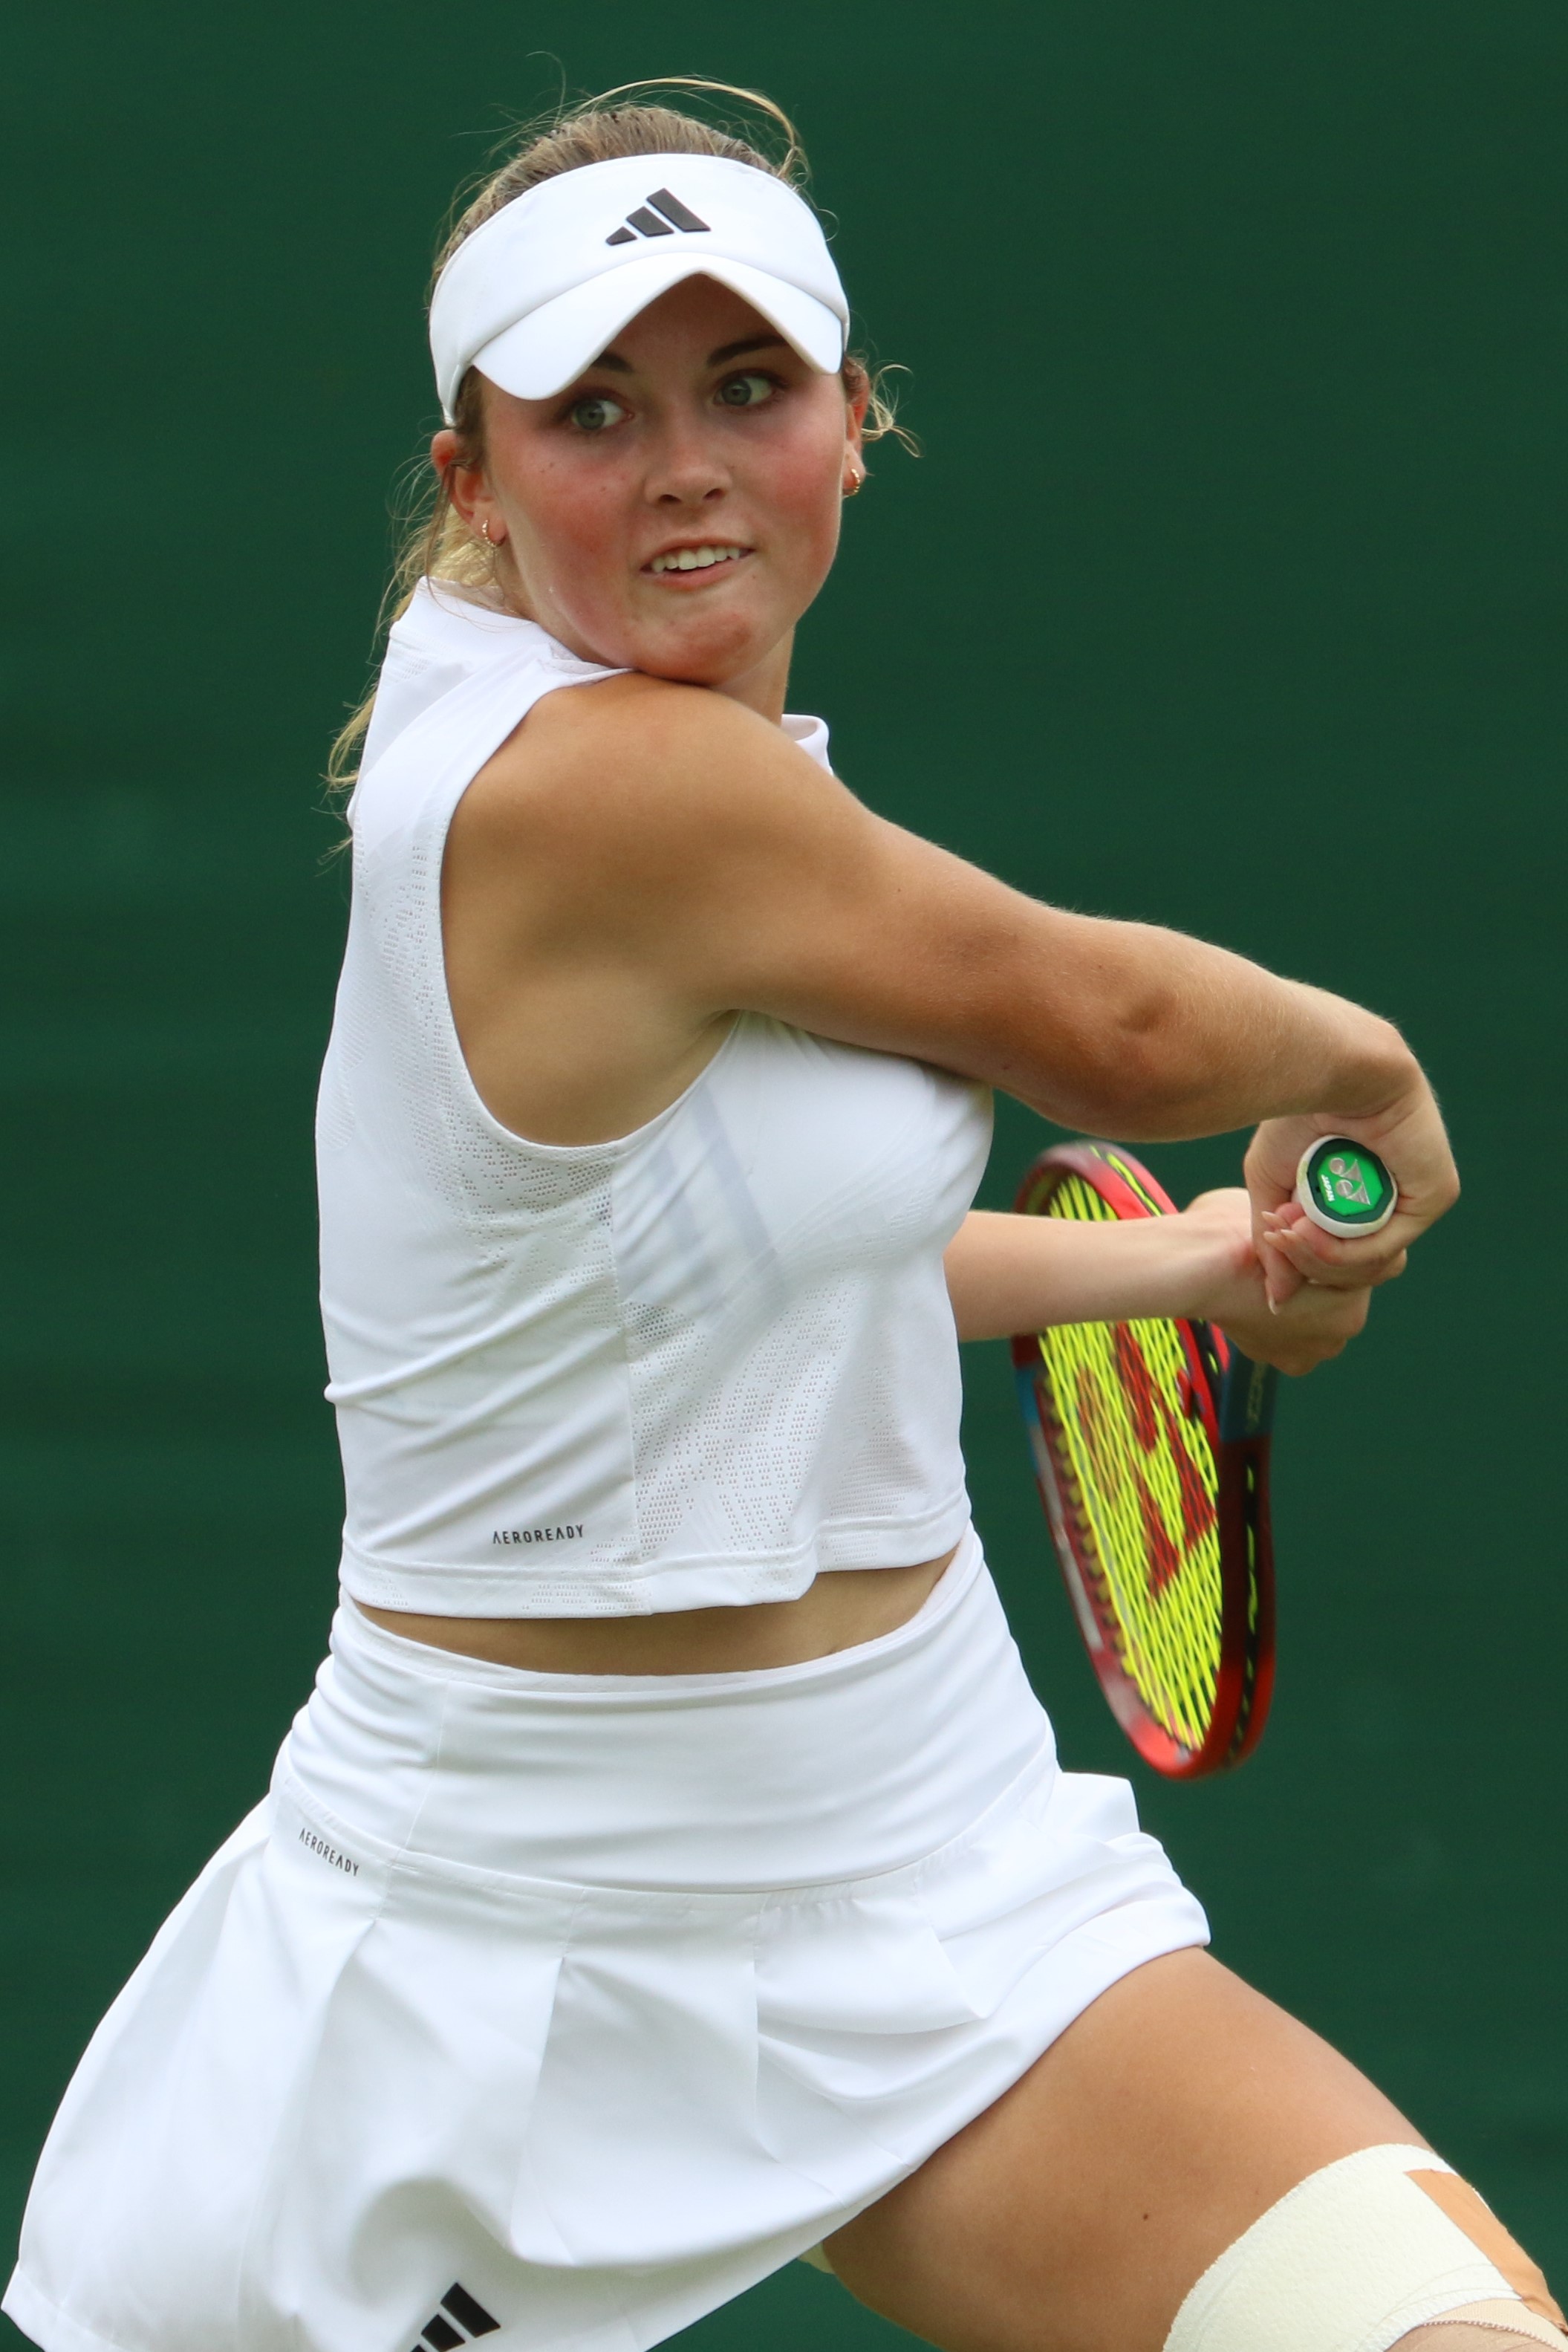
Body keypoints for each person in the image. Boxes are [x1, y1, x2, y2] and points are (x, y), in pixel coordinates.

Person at [5, 82, 1558, 2352]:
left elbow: (767, 1280)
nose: (684, 466)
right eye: (593, 411)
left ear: (855, 423)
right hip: (503, 1952)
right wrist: (1370, 1071)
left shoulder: (718, 793)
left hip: (933, 1868)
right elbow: (1115, 1030)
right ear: (471, 478)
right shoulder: (596, 792)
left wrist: (1189, 1269)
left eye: (748, 387)